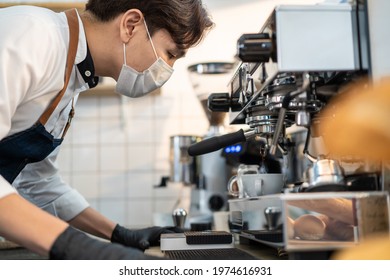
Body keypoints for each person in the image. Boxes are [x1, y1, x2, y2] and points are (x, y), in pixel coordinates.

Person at [0, 0, 213, 259]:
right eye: (170, 54)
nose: (168, 68)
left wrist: (118, 234)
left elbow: (38, 182)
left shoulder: (72, 76)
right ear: (131, 25)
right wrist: (74, 246)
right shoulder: (31, 35)